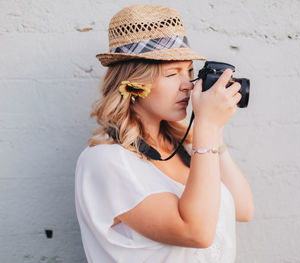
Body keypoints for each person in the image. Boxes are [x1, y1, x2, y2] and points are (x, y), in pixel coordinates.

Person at [74, 4, 254, 263]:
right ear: (134, 85)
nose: (188, 85)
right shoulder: (105, 161)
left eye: (189, 72)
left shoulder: (188, 147)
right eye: (172, 73)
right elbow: (197, 233)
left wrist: (213, 130)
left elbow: (244, 208)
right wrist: (207, 128)